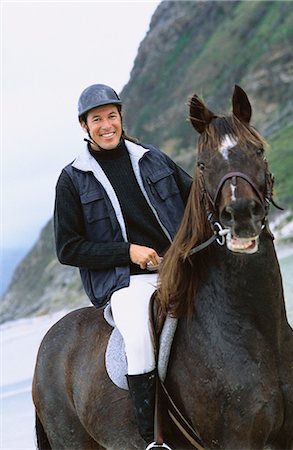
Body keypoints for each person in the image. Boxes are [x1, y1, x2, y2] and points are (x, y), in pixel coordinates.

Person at [54, 83, 192, 446]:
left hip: (179, 268)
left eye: (111, 116)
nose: (106, 125)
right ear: (84, 126)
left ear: (121, 118)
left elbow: (195, 199)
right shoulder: (72, 180)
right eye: (96, 119)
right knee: (139, 338)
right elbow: (68, 248)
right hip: (126, 284)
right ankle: (154, 440)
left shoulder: (153, 158)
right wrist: (127, 252)